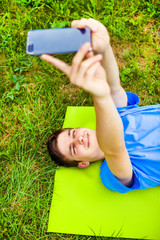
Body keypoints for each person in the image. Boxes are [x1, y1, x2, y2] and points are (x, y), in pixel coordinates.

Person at [41, 18, 160, 193]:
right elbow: (114, 150)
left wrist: (104, 47)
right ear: (83, 163)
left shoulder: (117, 115)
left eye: (74, 133)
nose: (79, 138)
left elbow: (113, 87)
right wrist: (100, 95)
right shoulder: (110, 175)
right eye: (74, 148)